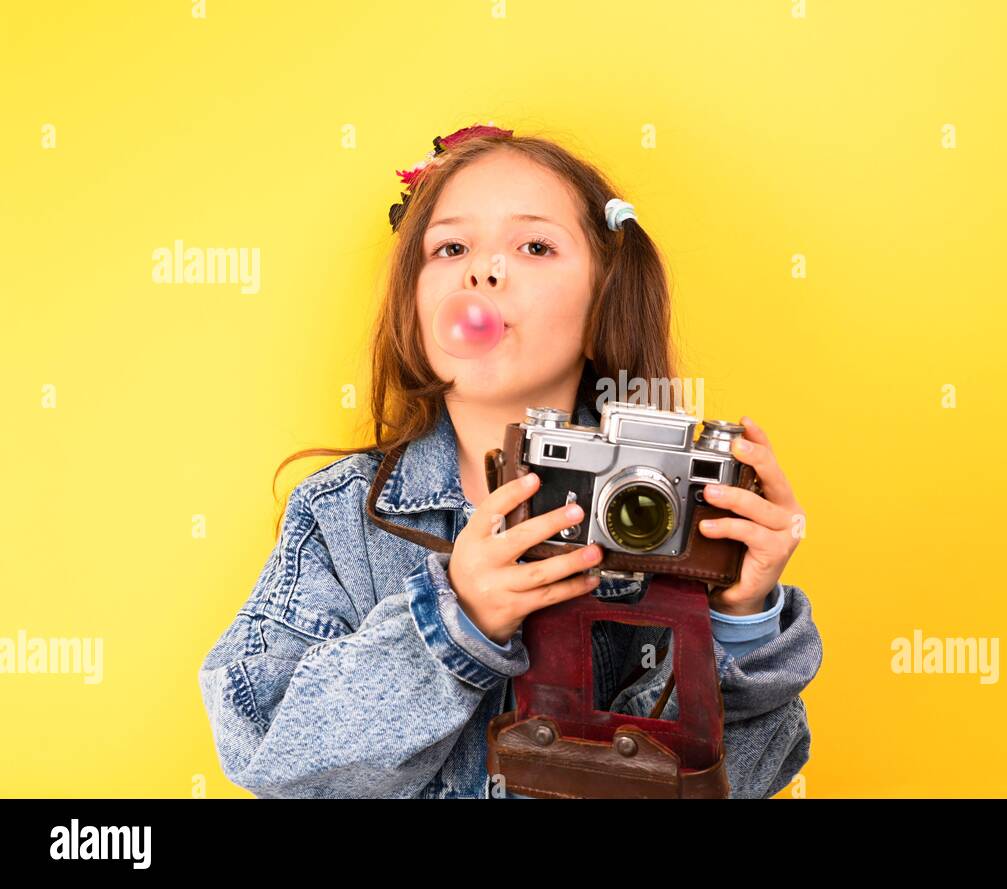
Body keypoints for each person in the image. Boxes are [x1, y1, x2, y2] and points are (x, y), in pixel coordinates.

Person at [197, 125, 823, 798]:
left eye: (534, 245)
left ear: (603, 300)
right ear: (415, 301)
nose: (483, 271)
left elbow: (723, 783)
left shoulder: (669, 510)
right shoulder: (342, 516)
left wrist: (742, 620)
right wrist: (452, 624)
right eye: (452, 246)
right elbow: (263, 745)